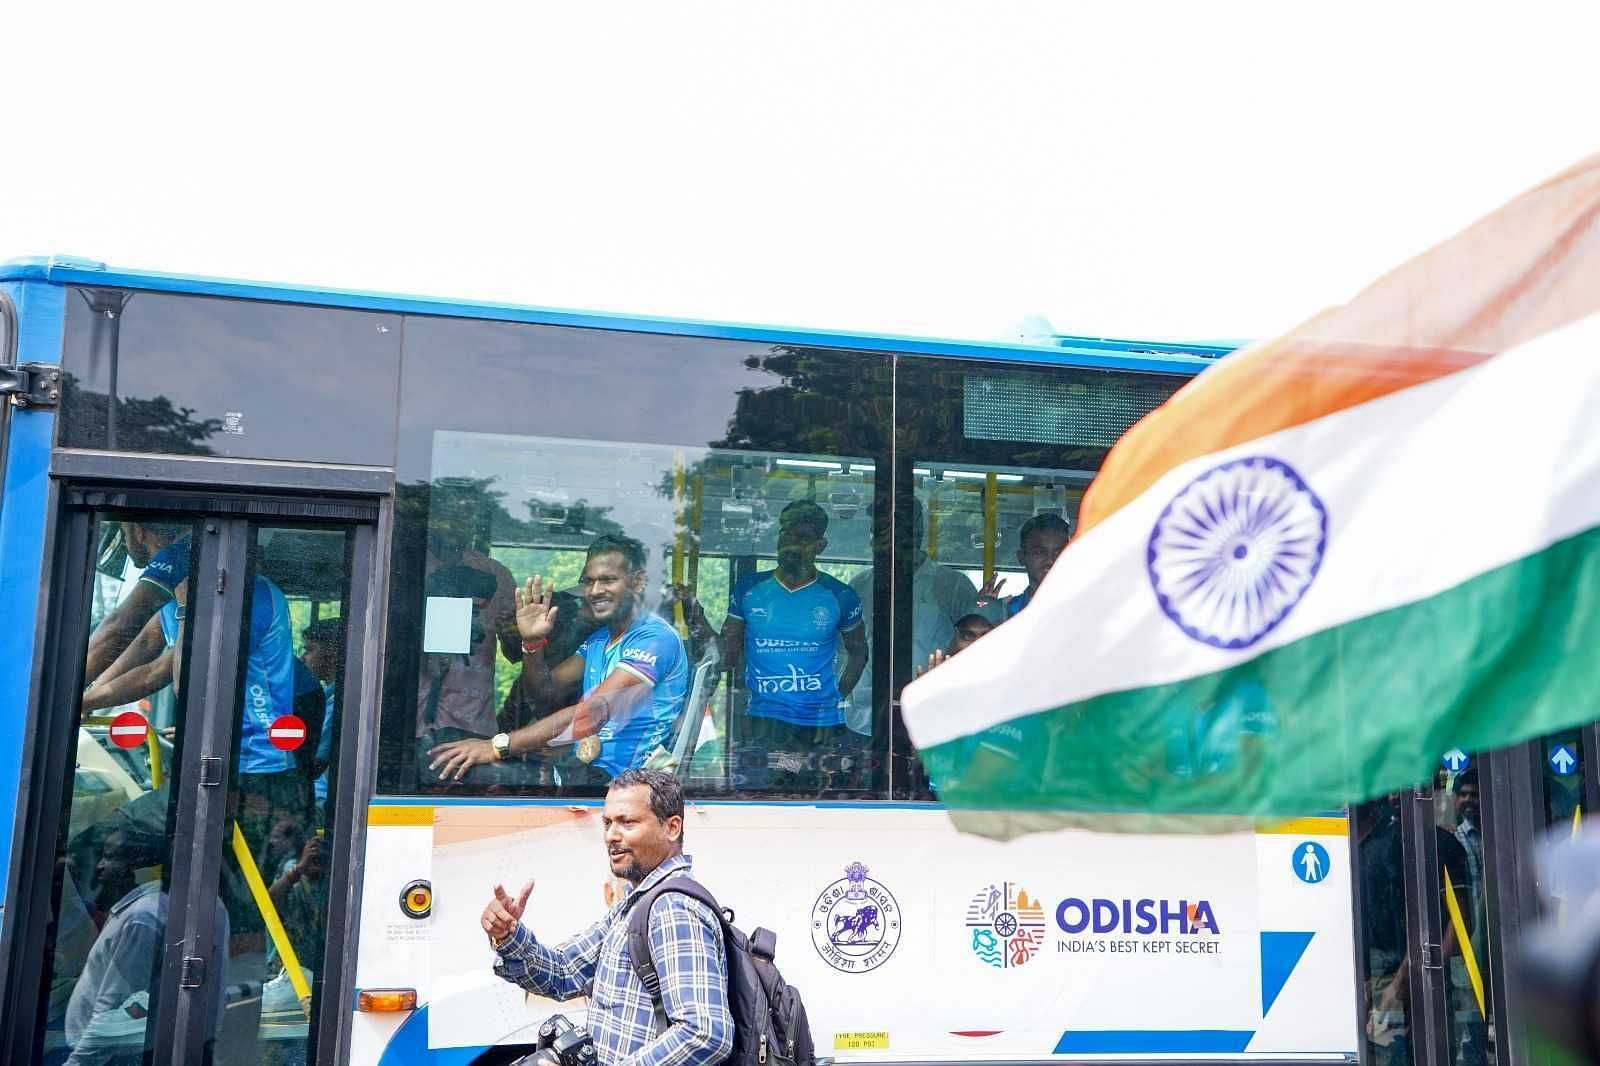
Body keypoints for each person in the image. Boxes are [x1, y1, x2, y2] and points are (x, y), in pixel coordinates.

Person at [480, 769, 732, 1066]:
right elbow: (564, 973)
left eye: (627, 822)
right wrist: (508, 936)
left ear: (672, 828)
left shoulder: (674, 909)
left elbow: (705, 1034)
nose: (612, 836)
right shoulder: (637, 904)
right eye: (608, 823)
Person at [427, 535, 689, 786]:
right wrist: (532, 644)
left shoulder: (655, 638)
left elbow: (593, 712)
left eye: (608, 580)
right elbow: (544, 694)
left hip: (632, 783)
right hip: (587, 774)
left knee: (470, 772)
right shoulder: (599, 640)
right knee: (443, 763)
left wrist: (497, 745)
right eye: (588, 582)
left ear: (638, 582)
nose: (595, 590)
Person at [62, 826, 228, 1066]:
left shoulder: (142, 918)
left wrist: (76, 1062)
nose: (99, 866)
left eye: (110, 857)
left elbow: (115, 1014)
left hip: (106, 1056)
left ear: (138, 866)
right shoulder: (198, 903)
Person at [723, 501, 866, 767]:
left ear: (820, 545)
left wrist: (837, 696)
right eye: (786, 534)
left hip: (820, 725)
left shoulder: (841, 595)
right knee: (756, 803)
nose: (791, 544)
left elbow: (859, 652)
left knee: (813, 804)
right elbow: (727, 654)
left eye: (803, 538)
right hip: (761, 720)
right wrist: (696, 616)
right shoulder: (749, 588)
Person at [844, 498, 987, 739]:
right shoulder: (858, 586)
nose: (885, 539)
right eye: (877, 531)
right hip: (865, 721)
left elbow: (975, 651)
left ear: (916, 532)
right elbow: (844, 653)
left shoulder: (952, 585)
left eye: (895, 530)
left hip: (932, 721)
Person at [413, 480, 520, 755]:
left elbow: (516, 653)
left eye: (466, 515)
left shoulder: (497, 575)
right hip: (408, 718)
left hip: (473, 722)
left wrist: (517, 635)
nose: (457, 523)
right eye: (449, 513)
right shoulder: (406, 565)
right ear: (432, 517)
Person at [302, 618, 344, 812]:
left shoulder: (338, 702)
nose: (303, 658)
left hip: (322, 801)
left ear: (333, 653)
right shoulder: (325, 697)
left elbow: (315, 765)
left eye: (310, 650)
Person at [997, 513, 1071, 618]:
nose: (1050, 560)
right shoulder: (1003, 612)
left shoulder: (1086, 607)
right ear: (1021, 557)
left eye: (1059, 553)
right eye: (1039, 552)